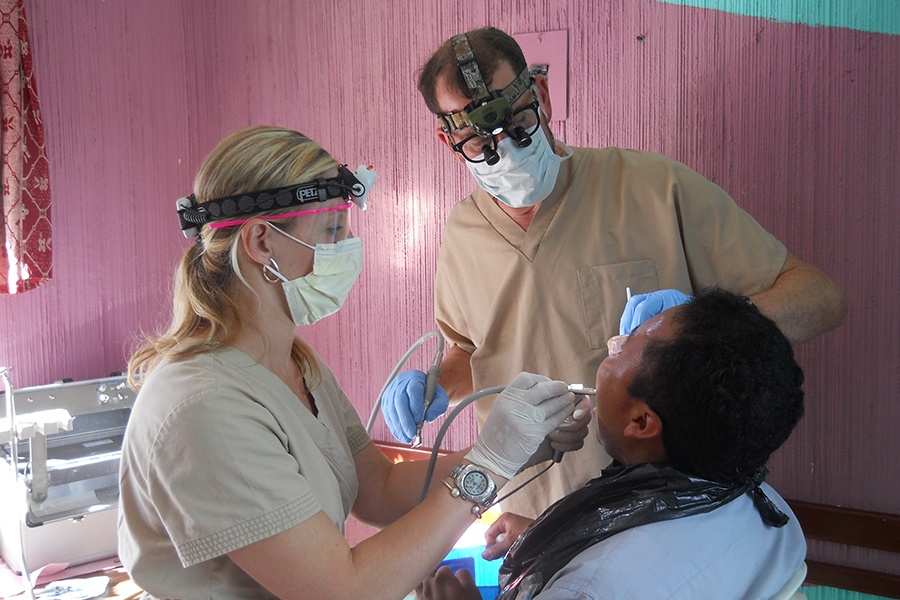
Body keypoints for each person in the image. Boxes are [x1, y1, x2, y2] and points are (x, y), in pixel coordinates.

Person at [381, 26, 846, 519]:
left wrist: (711, 327)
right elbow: (475, 352)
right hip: (530, 515)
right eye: (477, 140)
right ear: (447, 138)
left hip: (664, 512)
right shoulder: (463, 234)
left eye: (516, 122)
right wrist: (435, 385)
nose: (506, 151)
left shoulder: (652, 188)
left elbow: (821, 298)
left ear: (540, 94)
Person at [117, 126, 590, 600]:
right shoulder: (204, 407)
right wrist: (489, 464)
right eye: (331, 231)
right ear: (261, 241)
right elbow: (344, 591)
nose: (347, 247)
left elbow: (379, 488)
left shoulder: (297, 365)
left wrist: (520, 448)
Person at [416, 288, 808, 599]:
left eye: (627, 345)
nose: (611, 346)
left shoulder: (589, 589)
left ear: (640, 421)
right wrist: (560, 540)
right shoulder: (773, 514)